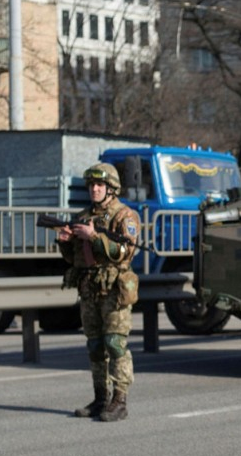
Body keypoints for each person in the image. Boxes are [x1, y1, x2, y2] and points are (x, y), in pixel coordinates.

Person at [55, 162, 141, 422]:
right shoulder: (83, 217)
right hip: (90, 288)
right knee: (94, 346)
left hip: (114, 290)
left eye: (99, 185)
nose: (94, 189)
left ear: (111, 188)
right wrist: (65, 243)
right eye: (91, 185)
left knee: (115, 344)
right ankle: (100, 397)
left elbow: (124, 251)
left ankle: (120, 400)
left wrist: (94, 237)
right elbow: (75, 259)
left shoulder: (124, 216)